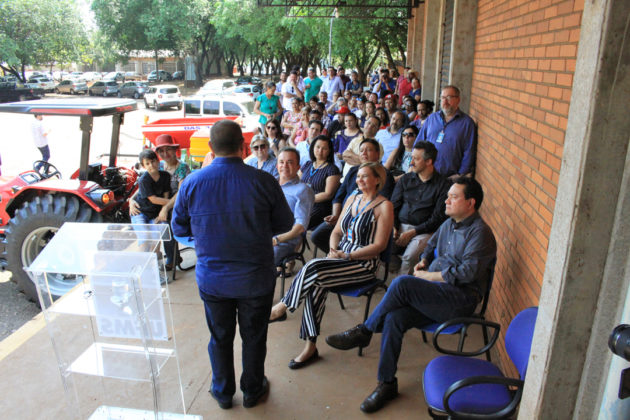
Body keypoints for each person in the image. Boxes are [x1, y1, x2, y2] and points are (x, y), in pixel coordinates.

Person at [326, 177, 497, 413]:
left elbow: (467, 273)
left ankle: (365, 331)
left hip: (459, 301)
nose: (446, 200)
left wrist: (427, 277)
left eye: (453, 197)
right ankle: (386, 383)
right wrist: (424, 261)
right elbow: (431, 245)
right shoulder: (449, 223)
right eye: (447, 195)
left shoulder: (480, 233)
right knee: (395, 318)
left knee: (403, 284)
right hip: (436, 295)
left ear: (471, 203)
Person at [172, 120, 294, 410]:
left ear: (211, 149)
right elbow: (284, 224)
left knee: (219, 337)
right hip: (256, 279)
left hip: (213, 280)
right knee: (254, 336)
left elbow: (178, 227)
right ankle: (252, 391)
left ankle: (223, 392)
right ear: (243, 146)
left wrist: (202, 239)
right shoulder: (263, 181)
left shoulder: (192, 183)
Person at [269, 162, 394, 371]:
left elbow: (379, 246)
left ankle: (282, 307)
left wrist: (349, 254)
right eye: (358, 176)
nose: (359, 180)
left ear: (378, 180)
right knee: (315, 283)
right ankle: (310, 347)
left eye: (364, 176)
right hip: (339, 258)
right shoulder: (352, 198)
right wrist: (334, 250)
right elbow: (336, 232)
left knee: (314, 268)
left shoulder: (384, 206)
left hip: (363, 264)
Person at [310, 139, 395, 254]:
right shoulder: (353, 170)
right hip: (343, 218)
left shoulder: (384, 175)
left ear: (378, 154)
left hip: (364, 224)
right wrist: (336, 214)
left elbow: (379, 204)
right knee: (317, 236)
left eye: (368, 150)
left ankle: (342, 255)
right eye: (361, 150)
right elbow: (338, 196)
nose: (364, 153)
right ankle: (337, 253)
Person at [390, 141, 450, 276]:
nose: (411, 162)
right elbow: (393, 205)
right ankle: (395, 268)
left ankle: (400, 289)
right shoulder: (406, 179)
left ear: (429, 161)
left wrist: (412, 232)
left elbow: (437, 218)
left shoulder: (443, 185)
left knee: (409, 257)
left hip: (424, 231)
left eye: (416, 159)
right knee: (378, 243)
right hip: (399, 226)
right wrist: (393, 226)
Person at [415, 86, 476, 178]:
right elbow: (419, 143)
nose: (445, 102)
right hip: (426, 174)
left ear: (458, 99)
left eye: (449, 98)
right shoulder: (431, 118)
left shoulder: (467, 123)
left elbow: (469, 151)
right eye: (443, 98)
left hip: (449, 178)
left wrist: (460, 174)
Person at [131, 148, 175, 269]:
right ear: (143, 166)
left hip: (155, 213)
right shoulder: (144, 180)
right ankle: (141, 267)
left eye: (153, 161)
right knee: (144, 237)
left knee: (158, 236)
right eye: (147, 163)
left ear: (158, 161)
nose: (151, 165)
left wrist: (163, 209)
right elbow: (153, 199)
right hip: (141, 212)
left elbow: (166, 193)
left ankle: (156, 264)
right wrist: (175, 202)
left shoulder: (165, 175)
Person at [273, 148, 315, 265]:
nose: (285, 166)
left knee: (258, 261)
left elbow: (300, 227)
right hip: (263, 233)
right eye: (281, 162)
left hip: (283, 240)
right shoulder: (271, 184)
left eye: (290, 162)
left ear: (298, 166)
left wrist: (276, 239)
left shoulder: (303, 190)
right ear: (277, 165)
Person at [300, 135, 341, 229]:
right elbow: (296, 183)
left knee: (297, 222)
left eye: (324, 148)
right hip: (302, 202)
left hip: (318, 207)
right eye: (317, 147)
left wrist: (307, 199)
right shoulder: (307, 164)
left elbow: (328, 194)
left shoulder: (332, 169)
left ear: (329, 151)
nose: (320, 151)